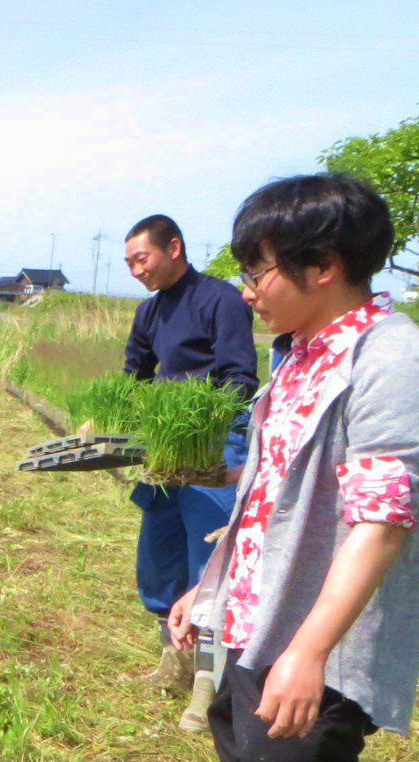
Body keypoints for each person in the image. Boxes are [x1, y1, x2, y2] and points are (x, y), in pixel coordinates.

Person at [152, 174, 419, 762]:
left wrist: (310, 653)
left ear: (326, 265)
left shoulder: (390, 359)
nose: (247, 287)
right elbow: (268, 494)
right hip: (253, 618)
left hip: (317, 640)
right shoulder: (301, 349)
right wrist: (212, 584)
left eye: (261, 268)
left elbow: (382, 523)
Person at [122, 214, 259, 732]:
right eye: (130, 262)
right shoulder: (149, 311)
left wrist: (196, 429)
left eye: (143, 258)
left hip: (212, 439)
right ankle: (172, 664)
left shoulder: (219, 299)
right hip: (163, 445)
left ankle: (208, 687)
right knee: (158, 553)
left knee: (208, 558)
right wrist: (116, 420)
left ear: (173, 247)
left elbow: (239, 377)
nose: (137, 270)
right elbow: (134, 376)